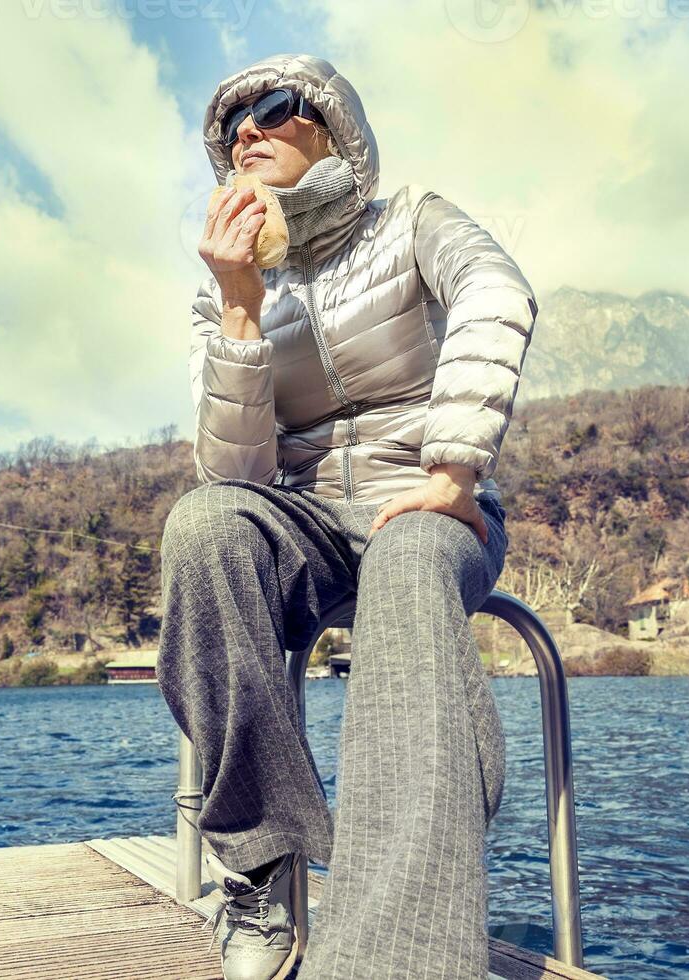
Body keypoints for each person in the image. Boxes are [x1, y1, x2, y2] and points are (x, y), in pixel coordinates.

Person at [156, 53, 538, 980]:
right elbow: (235, 477)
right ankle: (257, 873)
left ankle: (394, 957)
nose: (247, 129)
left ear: (332, 127)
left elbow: (498, 293)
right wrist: (243, 311)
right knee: (203, 529)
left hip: (434, 508)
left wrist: (451, 468)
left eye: (273, 108)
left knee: (409, 560)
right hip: (310, 524)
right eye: (231, 126)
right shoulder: (228, 289)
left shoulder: (412, 220)